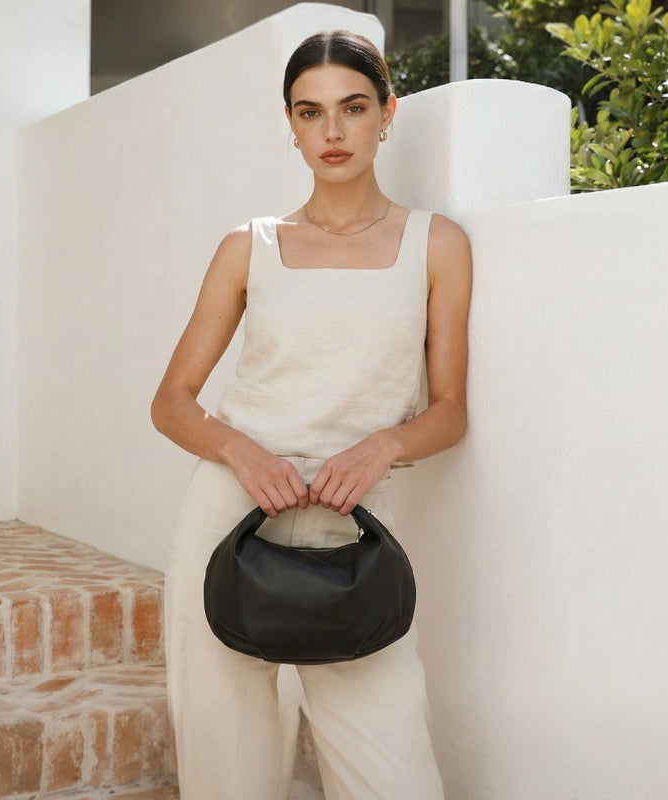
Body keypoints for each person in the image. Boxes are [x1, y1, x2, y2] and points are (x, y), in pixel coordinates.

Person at [150, 28, 471, 800]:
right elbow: (171, 401)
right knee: (228, 763)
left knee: (390, 766)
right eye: (310, 112)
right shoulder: (249, 245)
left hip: (355, 527)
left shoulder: (437, 244)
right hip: (231, 520)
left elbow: (452, 409)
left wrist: (384, 445)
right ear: (290, 125)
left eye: (353, 108)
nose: (332, 131)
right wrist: (242, 454)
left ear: (387, 113)